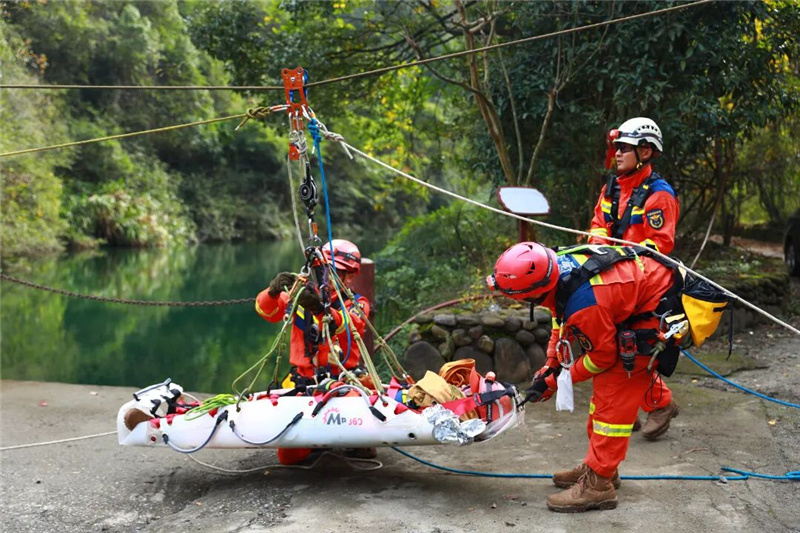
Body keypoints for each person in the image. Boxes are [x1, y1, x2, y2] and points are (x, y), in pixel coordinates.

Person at [487, 242, 681, 512]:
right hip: (632, 299)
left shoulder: (586, 303)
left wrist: (556, 381)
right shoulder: (558, 269)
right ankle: (599, 466)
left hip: (655, 308)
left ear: (531, 293)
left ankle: (598, 485)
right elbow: (561, 319)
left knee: (612, 394)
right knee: (602, 397)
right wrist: (551, 366)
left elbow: (602, 357)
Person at [589, 117, 680, 439]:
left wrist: (621, 259)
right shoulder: (612, 187)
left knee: (637, 350)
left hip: (648, 288)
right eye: (617, 147)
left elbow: (660, 245)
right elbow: (599, 224)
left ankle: (661, 403)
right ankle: (634, 407)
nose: (618, 153)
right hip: (615, 279)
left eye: (625, 148)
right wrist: (598, 251)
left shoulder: (659, 195)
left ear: (645, 151)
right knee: (617, 349)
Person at [256, 239, 372, 464]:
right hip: (304, 381)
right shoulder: (300, 295)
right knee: (288, 457)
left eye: (334, 271)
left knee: (352, 415)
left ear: (350, 275)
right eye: (324, 269)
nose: (327, 276)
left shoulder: (356, 303)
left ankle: (348, 439)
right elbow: (266, 312)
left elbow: (348, 326)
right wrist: (272, 292)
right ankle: (315, 440)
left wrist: (319, 308)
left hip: (342, 381)